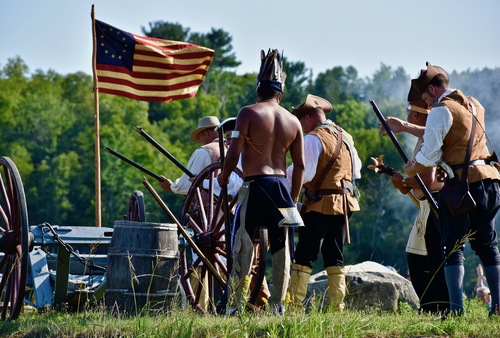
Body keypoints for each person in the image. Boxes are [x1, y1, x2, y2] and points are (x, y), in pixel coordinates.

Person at [404, 62, 500, 316]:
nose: (427, 104)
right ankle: (498, 306)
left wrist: (410, 168)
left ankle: (456, 310)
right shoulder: (475, 105)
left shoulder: (441, 110)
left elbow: (430, 155)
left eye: (425, 98)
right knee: (488, 246)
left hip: (462, 187)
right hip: (490, 182)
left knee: (452, 246)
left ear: (433, 90)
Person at [218, 48, 305, 314]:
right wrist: (293, 198)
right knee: (282, 250)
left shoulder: (247, 113)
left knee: (242, 244)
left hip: (255, 186)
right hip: (282, 189)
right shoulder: (294, 122)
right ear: (280, 94)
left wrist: (223, 176)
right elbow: (299, 166)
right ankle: (278, 305)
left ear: (258, 92)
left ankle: (234, 305)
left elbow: (233, 152)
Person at [286, 94, 361, 311]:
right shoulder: (346, 136)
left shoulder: (312, 139)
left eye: (301, 121)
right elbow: (356, 170)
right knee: (334, 255)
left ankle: (294, 306)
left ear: (308, 118)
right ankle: (337, 307)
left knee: (304, 255)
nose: (301, 126)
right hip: (344, 205)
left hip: (319, 205)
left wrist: (280, 176)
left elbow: (304, 173)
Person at [383, 93, 449, 314]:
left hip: (434, 203)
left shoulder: (429, 140)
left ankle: (435, 306)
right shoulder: (425, 139)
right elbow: (423, 182)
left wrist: (405, 181)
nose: (408, 115)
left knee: (429, 260)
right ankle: (432, 305)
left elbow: (429, 180)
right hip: (428, 204)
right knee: (421, 258)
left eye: (412, 112)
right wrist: (405, 184)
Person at [159, 115, 221, 194]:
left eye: (200, 136)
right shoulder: (230, 148)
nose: (201, 140)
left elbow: (189, 184)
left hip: (209, 204)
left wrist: (171, 186)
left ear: (206, 133)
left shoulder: (204, 152)